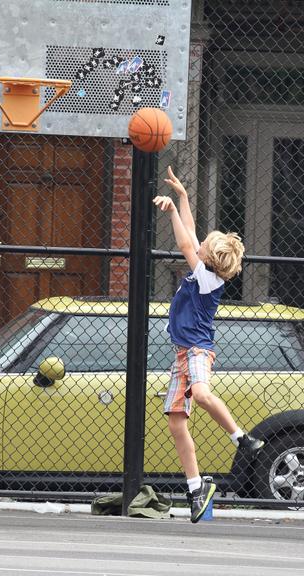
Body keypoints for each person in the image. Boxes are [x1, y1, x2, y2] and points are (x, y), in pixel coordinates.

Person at [153, 166, 264, 524]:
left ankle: (240, 437)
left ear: (208, 258)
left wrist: (171, 212)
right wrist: (184, 197)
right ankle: (196, 485)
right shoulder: (207, 272)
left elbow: (185, 241)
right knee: (175, 421)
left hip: (198, 350)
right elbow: (194, 236)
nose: (198, 244)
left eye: (203, 247)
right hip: (182, 355)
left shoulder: (206, 278)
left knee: (201, 394)